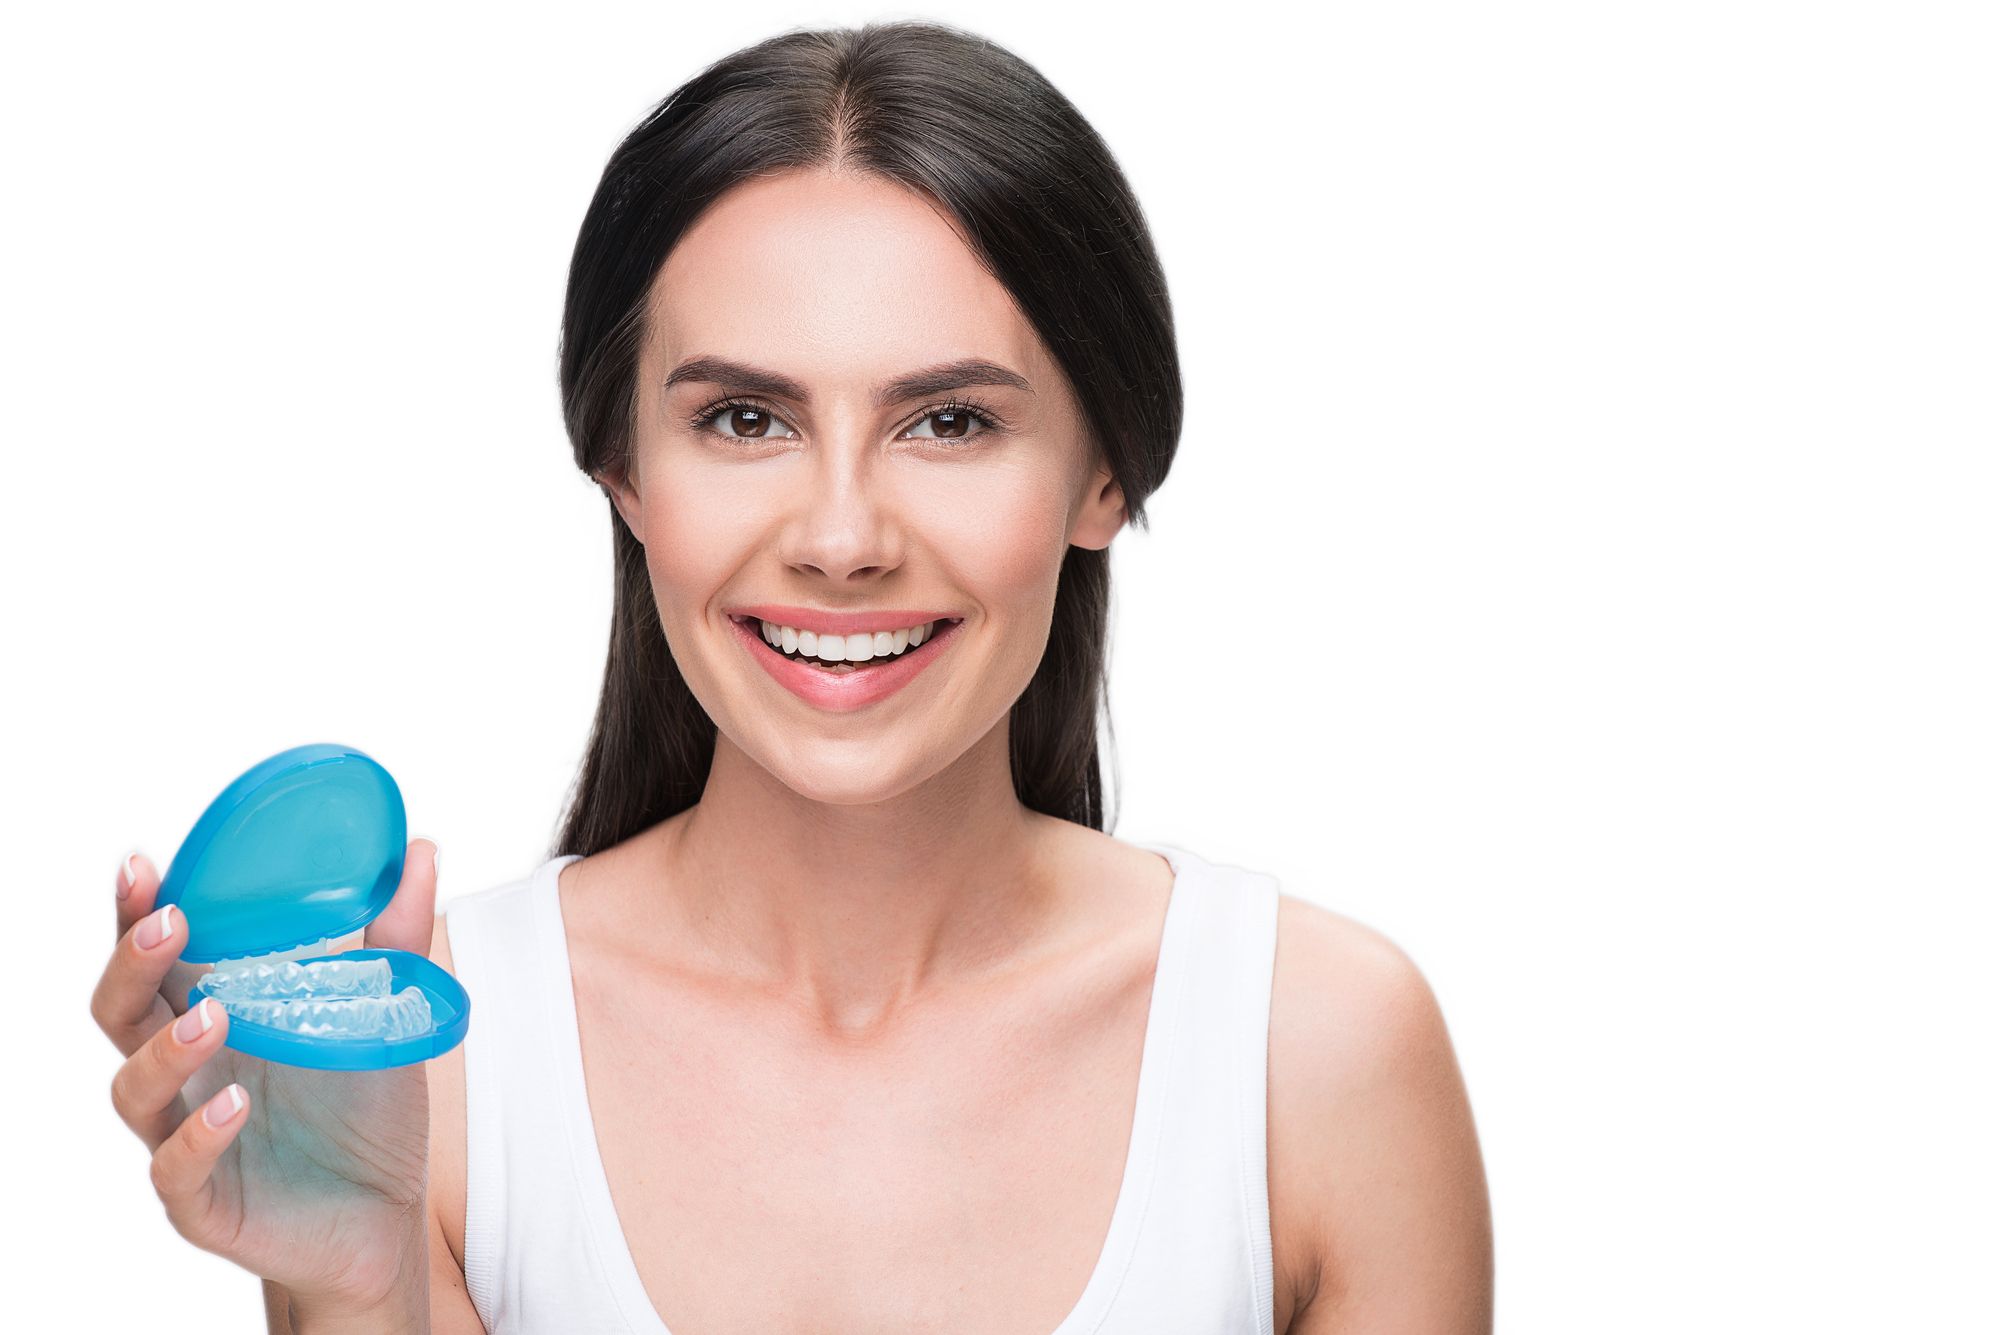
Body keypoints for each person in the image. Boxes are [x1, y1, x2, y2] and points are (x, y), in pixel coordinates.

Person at [95, 19, 1492, 1333]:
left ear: (1106, 472)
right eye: (744, 418)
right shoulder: (422, 1064)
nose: (840, 539)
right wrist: (361, 1294)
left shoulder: (1314, 1057)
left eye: (949, 421)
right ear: (624, 473)